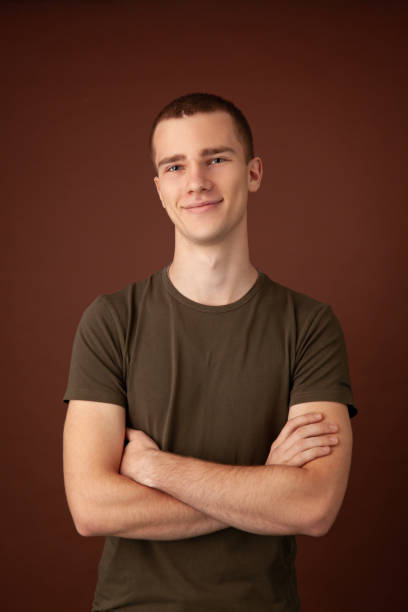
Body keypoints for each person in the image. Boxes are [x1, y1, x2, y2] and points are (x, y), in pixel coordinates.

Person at [62, 92, 357, 612]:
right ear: (159, 189)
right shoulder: (110, 320)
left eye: (216, 158)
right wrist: (265, 486)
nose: (196, 181)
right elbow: (91, 507)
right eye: (175, 166)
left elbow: (312, 506)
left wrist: (156, 469)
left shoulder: (310, 325)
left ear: (254, 173)